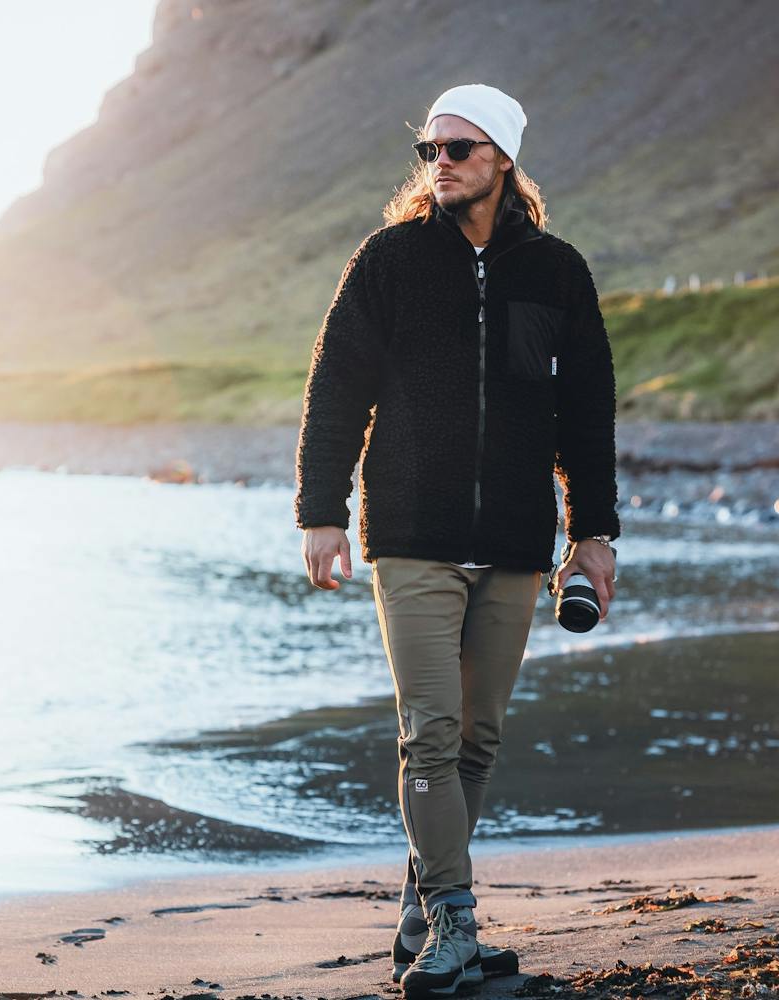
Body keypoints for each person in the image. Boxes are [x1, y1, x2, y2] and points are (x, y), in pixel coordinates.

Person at [293, 83, 620, 997]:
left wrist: (593, 532)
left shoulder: (556, 272)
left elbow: (586, 415)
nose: (441, 162)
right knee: (429, 734)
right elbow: (336, 387)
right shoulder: (389, 261)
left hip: (516, 542)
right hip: (412, 535)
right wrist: (320, 510)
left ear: (503, 160)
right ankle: (455, 924)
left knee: (477, 739)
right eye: (430, 149)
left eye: (460, 148)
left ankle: (419, 911)